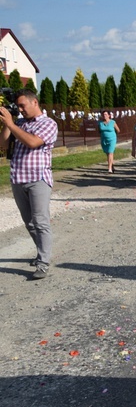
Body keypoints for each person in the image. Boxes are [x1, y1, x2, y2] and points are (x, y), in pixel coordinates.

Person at [0, 89, 58, 279]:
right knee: (29, 223)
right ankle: (42, 251)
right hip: (18, 178)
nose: (21, 109)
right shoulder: (19, 122)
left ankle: (43, 262)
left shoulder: (48, 123)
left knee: (40, 221)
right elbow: (3, 144)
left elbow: (33, 142)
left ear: (35, 103)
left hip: (38, 179)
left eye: (23, 105)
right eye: (18, 106)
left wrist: (11, 123)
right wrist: (8, 124)